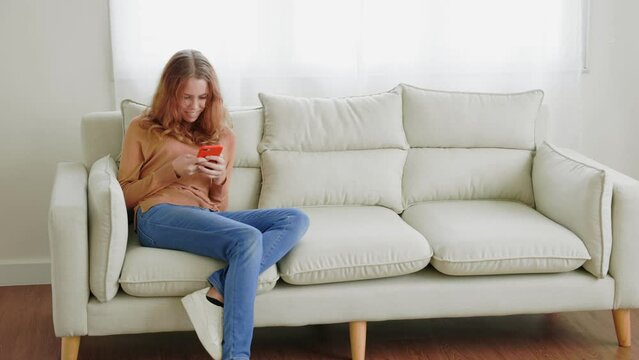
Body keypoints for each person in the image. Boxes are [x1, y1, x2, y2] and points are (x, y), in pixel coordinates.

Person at [118, 49, 310, 360]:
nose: (195, 106)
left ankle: (218, 288)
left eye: (203, 98)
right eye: (186, 98)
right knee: (247, 238)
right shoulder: (142, 128)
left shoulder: (223, 136)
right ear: (169, 93)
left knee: (295, 219)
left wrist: (219, 179)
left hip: (200, 215)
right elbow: (124, 195)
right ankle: (236, 356)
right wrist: (171, 172)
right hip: (157, 216)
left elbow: (217, 210)